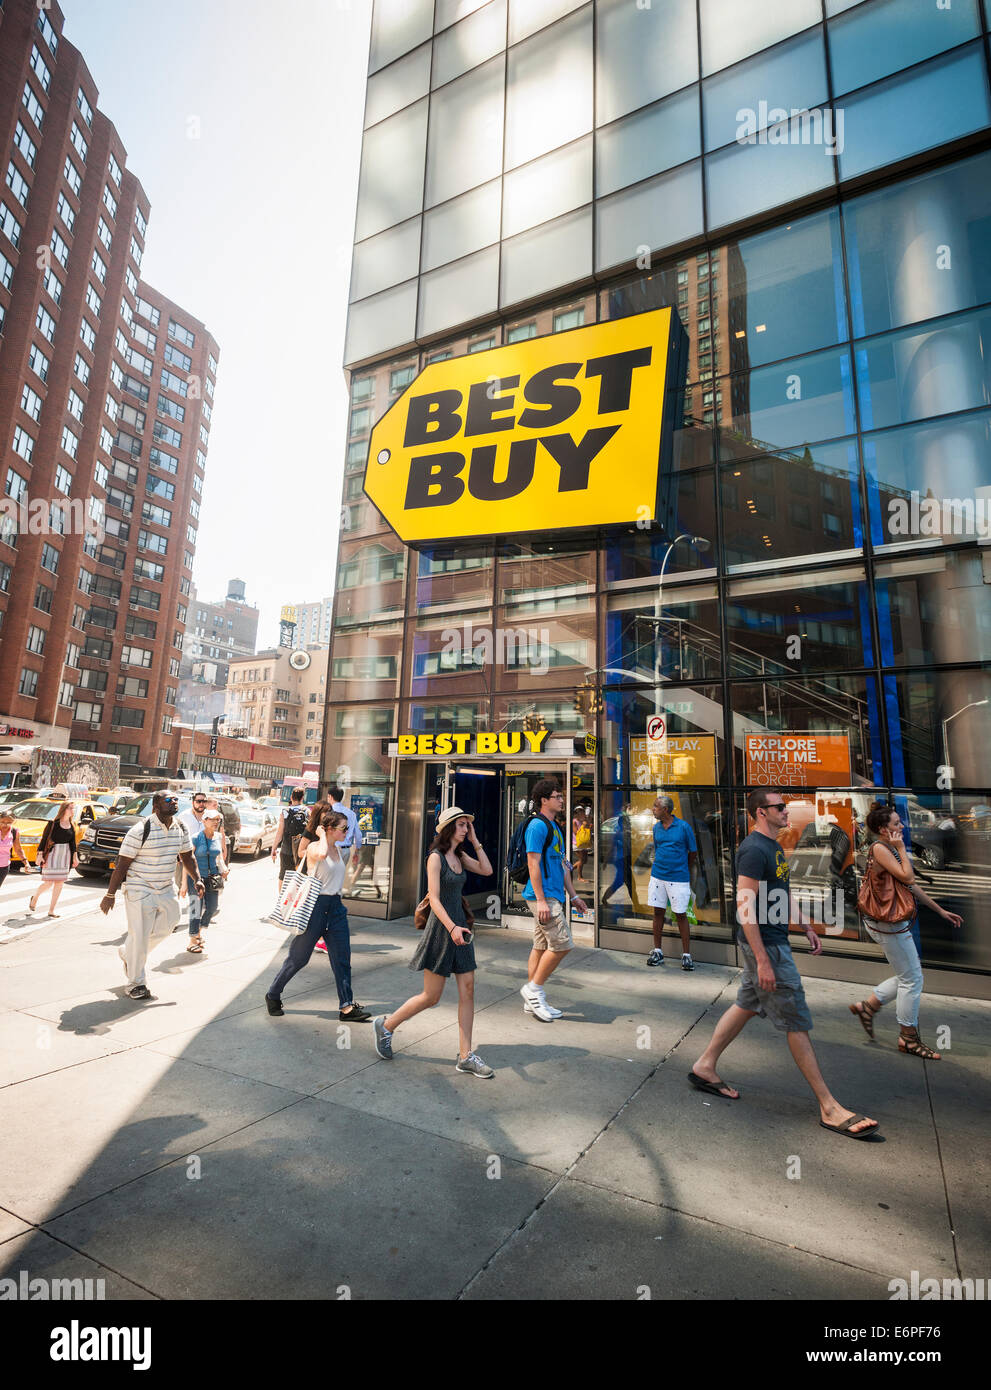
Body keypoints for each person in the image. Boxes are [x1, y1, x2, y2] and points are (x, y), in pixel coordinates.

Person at [689, 788, 881, 1141]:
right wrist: (762, 959)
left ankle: (704, 1066)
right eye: (780, 807)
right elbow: (745, 908)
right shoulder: (752, 851)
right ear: (761, 812)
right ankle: (829, 1106)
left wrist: (804, 923)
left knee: (747, 1003)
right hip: (767, 947)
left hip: (774, 940)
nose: (786, 812)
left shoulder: (775, 847)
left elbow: (780, 892)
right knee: (796, 1020)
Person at [373, 807, 494, 1078]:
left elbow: (487, 870)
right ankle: (387, 1025)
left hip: (461, 930)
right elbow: (435, 899)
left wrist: (475, 841)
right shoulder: (435, 858)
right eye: (462, 825)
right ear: (449, 828)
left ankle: (466, 1056)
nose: (466, 829)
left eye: (467, 825)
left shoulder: (461, 855)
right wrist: (451, 927)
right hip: (442, 930)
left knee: (469, 990)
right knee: (431, 996)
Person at [849, 805, 962, 1060]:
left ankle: (868, 1007)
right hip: (888, 924)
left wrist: (940, 910)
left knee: (908, 975)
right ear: (883, 829)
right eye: (896, 824)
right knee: (912, 979)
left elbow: (908, 885)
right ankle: (908, 1038)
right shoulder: (881, 848)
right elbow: (908, 878)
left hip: (889, 923)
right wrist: (901, 848)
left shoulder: (886, 848)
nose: (902, 827)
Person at [265, 809, 371, 1022]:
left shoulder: (339, 850)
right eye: (343, 828)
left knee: (342, 959)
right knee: (298, 958)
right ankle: (273, 994)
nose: (346, 832)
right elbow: (321, 855)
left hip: (336, 908)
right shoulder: (315, 848)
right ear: (329, 829)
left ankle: (347, 1007)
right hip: (315, 908)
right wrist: (321, 834)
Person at [100, 792, 204, 1001]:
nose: (174, 803)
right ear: (156, 805)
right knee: (140, 934)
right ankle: (135, 983)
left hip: (165, 886)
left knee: (171, 922)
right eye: (168, 800)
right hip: (140, 888)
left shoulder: (180, 827)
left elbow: (187, 856)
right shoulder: (141, 830)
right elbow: (122, 864)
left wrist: (197, 878)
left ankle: (129, 953)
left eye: (175, 800)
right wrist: (110, 894)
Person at [520, 779, 584, 1023]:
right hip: (543, 895)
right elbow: (532, 863)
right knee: (562, 944)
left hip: (553, 893)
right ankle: (534, 990)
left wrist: (574, 895)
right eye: (557, 796)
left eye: (561, 796)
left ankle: (531, 999)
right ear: (544, 800)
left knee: (541, 946)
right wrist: (542, 901)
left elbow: (563, 863)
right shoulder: (537, 826)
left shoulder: (555, 827)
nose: (561, 799)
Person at [646, 794, 697, 970]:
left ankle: (686, 955)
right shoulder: (656, 828)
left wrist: (683, 868)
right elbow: (658, 848)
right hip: (658, 875)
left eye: (655, 806)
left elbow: (693, 852)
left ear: (665, 809)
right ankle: (658, 951)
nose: (653, 809)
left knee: (681, 915)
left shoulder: (683, 827)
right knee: (658, 912)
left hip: (678, 878)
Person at [186, 809, 229, 953]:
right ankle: (193, 940)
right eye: (212, 819)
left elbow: (219, 857)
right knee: (195, 909)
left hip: (212, 878)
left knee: (212, 907)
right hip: (196, 878)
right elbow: (188, 861)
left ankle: (198, 929)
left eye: (217, 819)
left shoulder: (217, 836)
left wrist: (223, 869)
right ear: (204, 821)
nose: (216, 822)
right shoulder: (195, 837)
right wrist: (183, 885)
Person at [30, 801, 78, 917]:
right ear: (64, 809)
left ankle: (51, 910)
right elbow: (44, 839)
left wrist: (74, 857)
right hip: (52, 854)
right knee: (48, 882)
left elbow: (73, 843)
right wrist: (40, 854)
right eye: (71, 808)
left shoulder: (72, 825)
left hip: (65, 855)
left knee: (59, 883)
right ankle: (35, 897)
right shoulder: (53, 824)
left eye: (73, 808)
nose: (73, 810)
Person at [271, 788, 308, 885]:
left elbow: (279, 833)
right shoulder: (307, 811)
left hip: (286, 849)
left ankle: (282, 898)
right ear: (302, 798)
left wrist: (274, 848)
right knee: (300, 877)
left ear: (291, 797)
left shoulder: (285, 811)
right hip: (300, 850)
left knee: (283, 876)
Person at [328, 783, 361, 885]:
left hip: (331, 849)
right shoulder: (351, 813)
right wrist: (357, 851)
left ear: (330, 796)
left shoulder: (329, 811)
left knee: (328, 877)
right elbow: (358, 835)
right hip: (346, 850)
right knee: (339, 877)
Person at [0, 811, 34, 888]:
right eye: (2, 822)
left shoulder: (14, 832)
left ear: (13, 822)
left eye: (9, 822)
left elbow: (18, 849)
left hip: (4, 866)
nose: (5, 825)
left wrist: (26, 863)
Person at [572, 804, 592, 882]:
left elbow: (587, 828)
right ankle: (579, 877)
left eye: (582, 812)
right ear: (576, 813)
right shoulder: (574, 821)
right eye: (579, 812)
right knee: (581, 860)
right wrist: (583, 826)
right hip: (576, 843)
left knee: (584, 860)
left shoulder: (583, 820)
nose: (581, 813)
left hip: (584, 843)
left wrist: (587, 824)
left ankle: (570, 869)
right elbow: (576, 832)